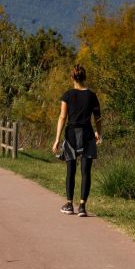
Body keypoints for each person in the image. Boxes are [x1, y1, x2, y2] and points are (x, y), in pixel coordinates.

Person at [52, 65, 102, 217]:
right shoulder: (92, 96)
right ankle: (82, 206)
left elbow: (62, 117)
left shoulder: (67, 95)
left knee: (71, 171)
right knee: (86, 172)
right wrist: (99, 133)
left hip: (72, 135)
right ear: (84, 77)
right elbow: (98, 117)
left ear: (72, 78)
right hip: (87, 135)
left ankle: (69, 204)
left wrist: (57, 140)